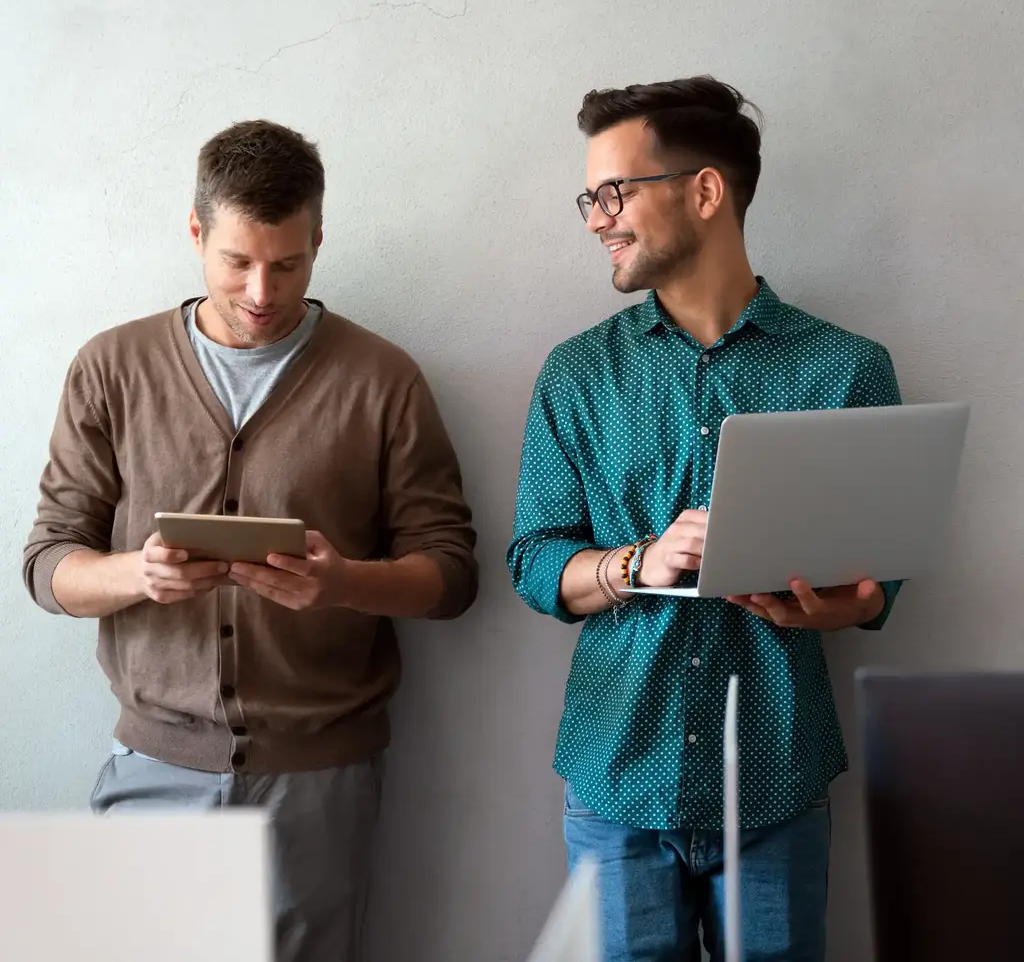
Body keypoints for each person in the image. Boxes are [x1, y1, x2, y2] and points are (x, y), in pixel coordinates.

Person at [23, 120, 478, 962]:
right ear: (196, 233)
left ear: (318, 240)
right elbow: (47, 564)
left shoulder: (383, 379)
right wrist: (137, 574)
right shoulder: (110, 367)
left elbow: (450, 575)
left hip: (320, 780)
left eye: (290, 262)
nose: (263, 290)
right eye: (237, 261)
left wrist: (341, 583)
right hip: (152, 763)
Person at [507, 77, 902, 962]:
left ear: (705, 190)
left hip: (778, 779)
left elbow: (882, 582)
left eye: (614, 193)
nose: (596, 217)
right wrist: (636, 562)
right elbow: (535, 562)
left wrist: (834, 605)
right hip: (617, 777)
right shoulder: (577, 375)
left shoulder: (847, 370)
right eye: (590, 198)